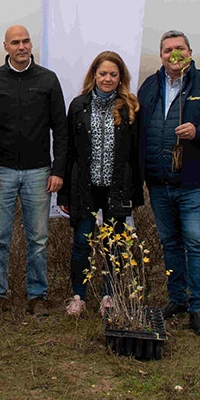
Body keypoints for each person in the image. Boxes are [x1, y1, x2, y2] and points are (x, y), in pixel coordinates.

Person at [137, 31, 200, 335]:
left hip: (194, 181)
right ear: (161, 54)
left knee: (196, 242)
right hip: (158, 180)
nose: (173, 54)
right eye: (168, 50)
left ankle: (198, 308)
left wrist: (199, 130)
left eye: (180, 49)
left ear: (190, 52)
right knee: (171, 243)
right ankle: (177, 298)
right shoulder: (150, 87)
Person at [0, 25, 67, 318]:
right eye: (15, 42)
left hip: (39, 172)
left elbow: (61, 130)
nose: (22, 46)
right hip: (0, 172)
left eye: (26, 41)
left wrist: (58, 170)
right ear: (6, 46)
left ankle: (37, 295)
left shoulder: (48, 80)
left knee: (38, 239)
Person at [59, 51, 144, 319]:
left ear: (121, 78)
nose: (107, 79)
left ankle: (109, 295)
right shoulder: (78, 106)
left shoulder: (130, 107)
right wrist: (65, 192)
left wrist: (135, 193)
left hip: (116, 188)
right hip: (84, 188)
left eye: (113, 74)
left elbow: (136, 154)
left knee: (114, 244)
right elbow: (69, 151)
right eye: (103, 73)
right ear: (94, 75)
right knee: (82, 242)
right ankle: (78, 297)